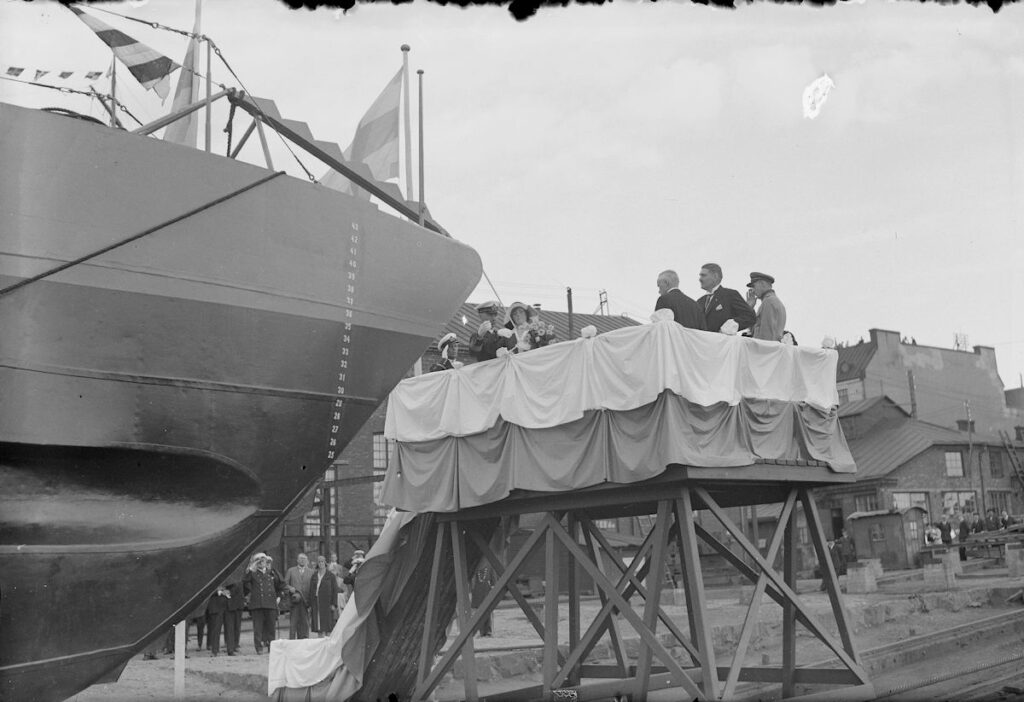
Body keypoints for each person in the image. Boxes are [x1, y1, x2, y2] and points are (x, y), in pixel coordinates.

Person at [243, 552, 285, 654]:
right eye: (260, 561)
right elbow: (245, 582)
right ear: (256, 563)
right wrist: (251, 568)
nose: (263, 563)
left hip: (270, 604)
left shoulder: (272, 573)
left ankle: (271, 647)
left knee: (271, 628)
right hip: (258, 604)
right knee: (258, 628)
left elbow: (280, 586)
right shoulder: (252, 574)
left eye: (264, 561)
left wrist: (279, 597)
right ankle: (259, 647)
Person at [697, 263, 756, 335]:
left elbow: (750, 317)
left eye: (703, 275)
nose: (700, 279)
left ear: (715, 276)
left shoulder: (729, 295)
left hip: (723, 344)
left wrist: (733, 324)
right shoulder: (700, 302)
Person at [745, 272, 786, 342]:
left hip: (764, 351)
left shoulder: (769, 302)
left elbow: (766, 337)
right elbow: (756, 332)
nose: (753, 291)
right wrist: (749, 308)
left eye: (754, 286)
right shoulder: (771, 301)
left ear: (762, 284)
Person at [308, 555, 340, 637]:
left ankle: (328, 644)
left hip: (327, 603)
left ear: (325, 563)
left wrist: (334, 604)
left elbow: (334, 590)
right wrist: (310, 604)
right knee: (318, 625)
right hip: (316, 602)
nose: (321, 563)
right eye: (319, 561)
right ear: (317, 563)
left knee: (328, 625)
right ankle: (320, 642)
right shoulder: (314, 576)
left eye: (322, 561)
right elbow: (311, 591)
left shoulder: (331, 576)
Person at [284, 553, 313, 639]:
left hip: (306, 601)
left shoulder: (311, 572)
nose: (302, 560)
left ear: (307, 561)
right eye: (301, 559)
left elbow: (314, 587)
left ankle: (304, 639)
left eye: (304, 559)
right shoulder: (291, 570)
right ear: (297, 560)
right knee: (293, 622)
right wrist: (290, 588)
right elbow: (284, 584)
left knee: (305, 622)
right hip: (295, 601)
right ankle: (292, 641)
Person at [205, 586, 230, 656]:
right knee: (215, 630)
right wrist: (221, 592)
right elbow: (207, 589)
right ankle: (214, 650)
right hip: (216, 606)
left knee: (230, 629)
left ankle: (230, 649)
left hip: (229, 606)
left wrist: (228, 592)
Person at [470, 567, 495, 637]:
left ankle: (488, 630)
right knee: (479, 611)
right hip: (477, 591)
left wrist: (493, 588)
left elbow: (493, 579)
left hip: (486, 590)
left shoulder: (489, 567)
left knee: (488, 610)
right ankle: (481, 631)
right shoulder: (475, 567)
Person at [224, 579, 244, 656]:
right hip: (231, 604)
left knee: (234, 627)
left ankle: (233, 646)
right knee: (231, 627)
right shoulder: (238, 577)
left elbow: (246, 587)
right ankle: (231, 648)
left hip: (236, 604)